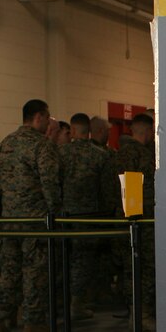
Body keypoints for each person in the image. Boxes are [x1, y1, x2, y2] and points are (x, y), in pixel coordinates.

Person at [0, 99, 61, 332]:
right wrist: (54, 212)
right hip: (35, 221)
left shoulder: (5, 143)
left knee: (8, 271)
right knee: (35, 272)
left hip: (9, 221)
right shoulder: (42, 145)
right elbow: (50, 184)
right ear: (38, 117)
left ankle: (1, 320)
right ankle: (33, 324)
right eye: (47, 117)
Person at [58, 112, 115, 319]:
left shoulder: (59, 153)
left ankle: (64, 303)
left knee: (65, 259)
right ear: (89, 131)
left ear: (72, 130)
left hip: (63, 216)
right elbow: (109, 189)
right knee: (83, 262)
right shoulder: (101, 155)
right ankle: (77, 303)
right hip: (91, 216)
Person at [111, 112, 157, 329]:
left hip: (128, 217)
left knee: (133, 268)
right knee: (144, 267)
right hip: (140, 218)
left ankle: (136, 313)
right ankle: (141, 316)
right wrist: (136, 219)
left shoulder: (121, 153)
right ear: (147, 131)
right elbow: (131, 188)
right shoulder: (136, 153)